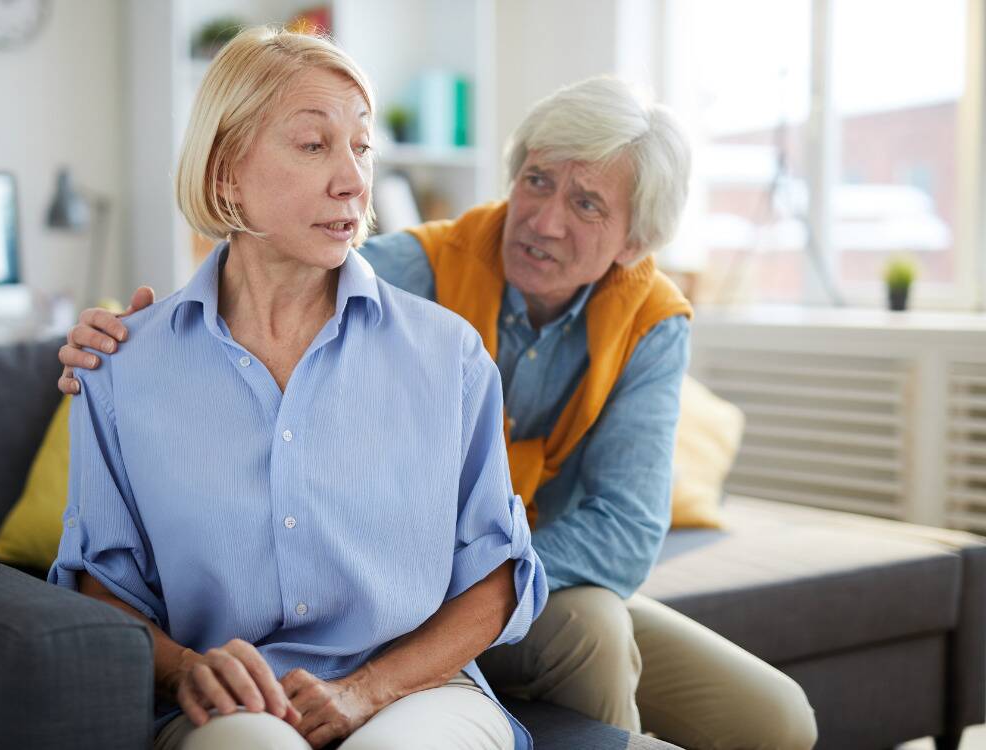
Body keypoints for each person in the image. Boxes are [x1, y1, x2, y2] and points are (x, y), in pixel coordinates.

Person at [60, 72, 819, 749]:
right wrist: (134, 337)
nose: (545, 221)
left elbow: (623, 531)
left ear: (634, 242)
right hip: (409, 606)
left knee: (770, 716)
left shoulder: (647, 321)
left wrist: (450, 583)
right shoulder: (411, 266)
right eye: (537, 180)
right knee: (595, 630)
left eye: (586, 204)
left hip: (484, 589)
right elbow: (263, 279)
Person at [49, 26, 547, 750]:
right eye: (314, 145)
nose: (352, 177)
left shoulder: (450, 357)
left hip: (419, 691)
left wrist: (363, 692)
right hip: (229, 708)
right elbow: (99, 585)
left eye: (361, 146)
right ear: (225, 172)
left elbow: (499, 577)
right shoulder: (123, 366)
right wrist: (186, 670)